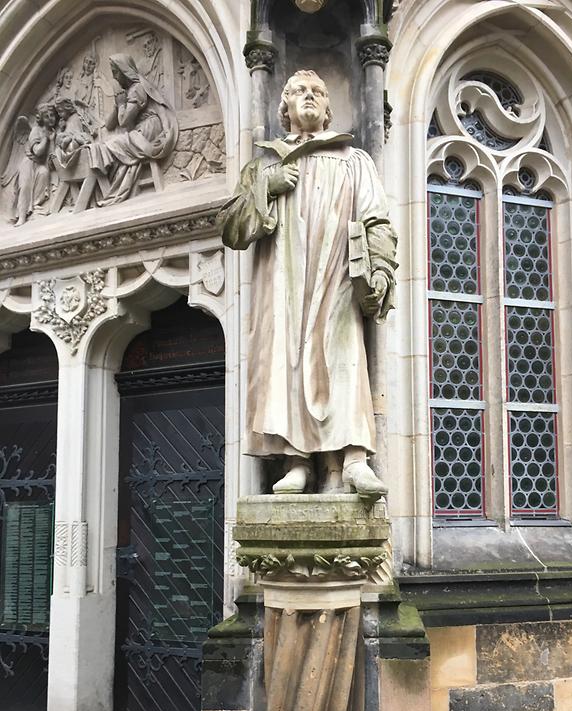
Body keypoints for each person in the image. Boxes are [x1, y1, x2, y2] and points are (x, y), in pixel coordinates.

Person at [219, 70, 397, 502]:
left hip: (336, 271)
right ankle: (297, 460)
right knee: (287, 360)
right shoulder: (265, 164)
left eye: (319, 91)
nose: (310, 97)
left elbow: (377, 218)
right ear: (286, 108)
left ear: (328, 107)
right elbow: (231, 229)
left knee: (342, 354)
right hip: (283, 281)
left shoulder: (354, 160)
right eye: (300, 92)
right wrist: (268, 187)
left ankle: (353, 459)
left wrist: (381, 269)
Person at [88, 54, 177, 206]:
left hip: (148, 130)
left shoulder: (137, 89)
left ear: (124, 71)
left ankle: (109, 185)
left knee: (109, 145)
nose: (115, 78)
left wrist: (121, 103)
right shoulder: (128, 92)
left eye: (116, 73)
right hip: (139, 131)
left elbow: (124, 121)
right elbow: (110, 125)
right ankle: (109, 181)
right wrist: (117, 104)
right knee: (106, 145)